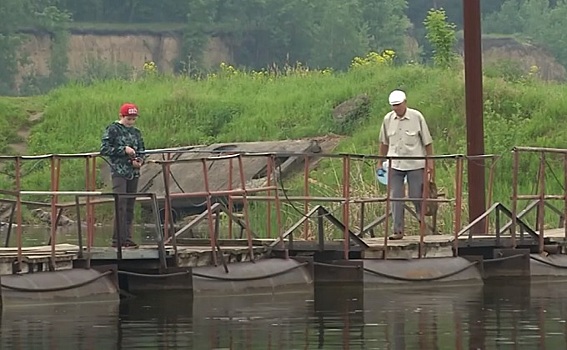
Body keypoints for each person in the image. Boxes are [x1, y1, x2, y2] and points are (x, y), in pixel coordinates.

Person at [378, 90, 434, 240]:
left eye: (398, 105)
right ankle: (397, 231)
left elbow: (427, 142)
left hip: (415, 163)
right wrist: (379, 162)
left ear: (405, 103)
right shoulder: (388, 119)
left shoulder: (417, 117)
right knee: (396, 197)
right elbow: (384, 142)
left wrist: (430, 162)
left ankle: (423, 225)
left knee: (416, 195)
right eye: (393, 106)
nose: (396, 108)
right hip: (394, 164)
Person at [100, 103, 146, 248]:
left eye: (133, 119)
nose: (131, 122)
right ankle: (117, 239)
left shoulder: (136, 132)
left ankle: (127, 238)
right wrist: (123, 150)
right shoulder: (113, 129)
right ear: (121, 116)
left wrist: (140, 160)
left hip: (133, 171)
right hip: (119, 171)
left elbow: (142, 150)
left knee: (130, 205)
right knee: (120, 203)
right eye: (128, 119)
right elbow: (105, 149)